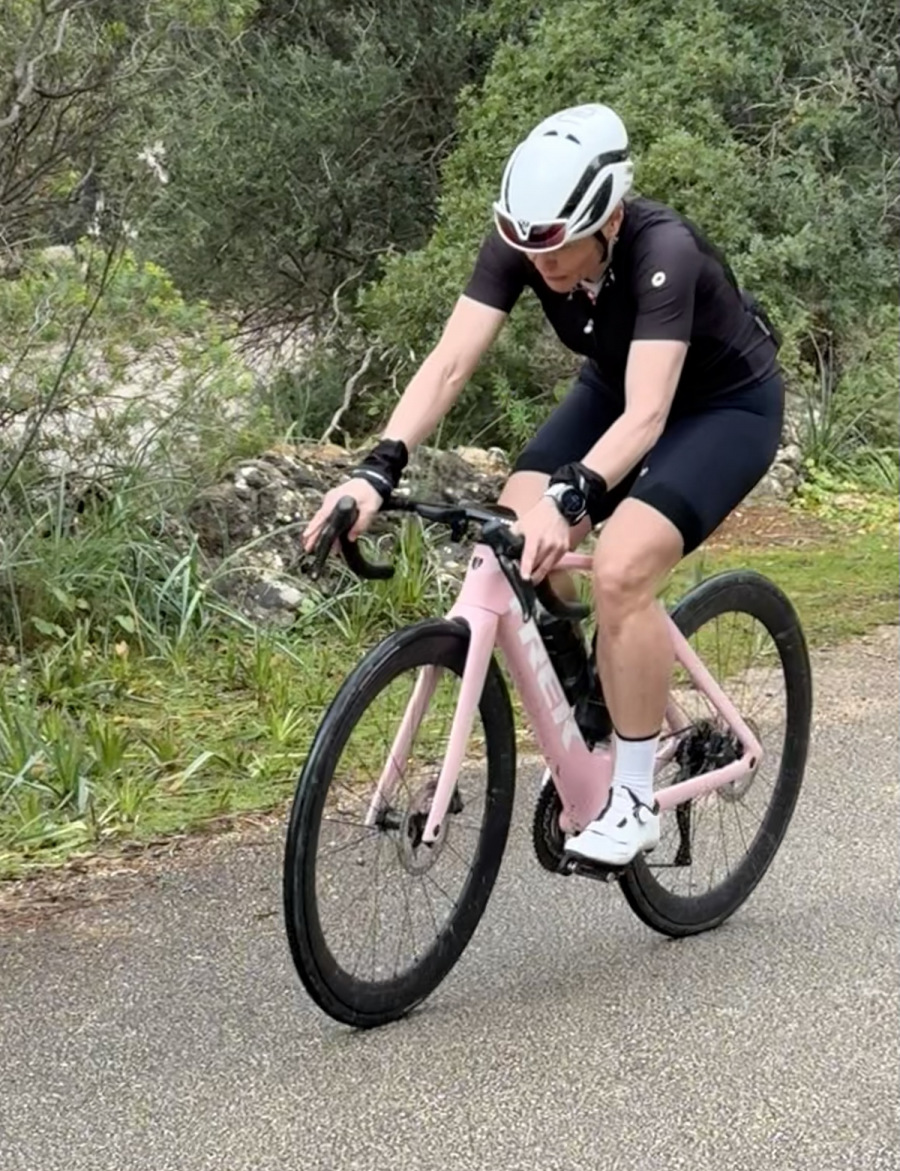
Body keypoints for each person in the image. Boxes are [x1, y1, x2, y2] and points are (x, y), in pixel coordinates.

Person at [303, 103, 784, 868]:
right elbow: (450, 362)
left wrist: (571, 497)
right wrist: (374, 469)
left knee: (622, 567)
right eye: (530, 247)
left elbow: (649, 415)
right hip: (613, 389)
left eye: (560, 247)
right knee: (512, 535)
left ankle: (632, 799)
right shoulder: (524, 240)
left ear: (611, 218)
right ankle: (595, 698)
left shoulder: (665, 251)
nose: (543, 264)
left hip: (723, 407)